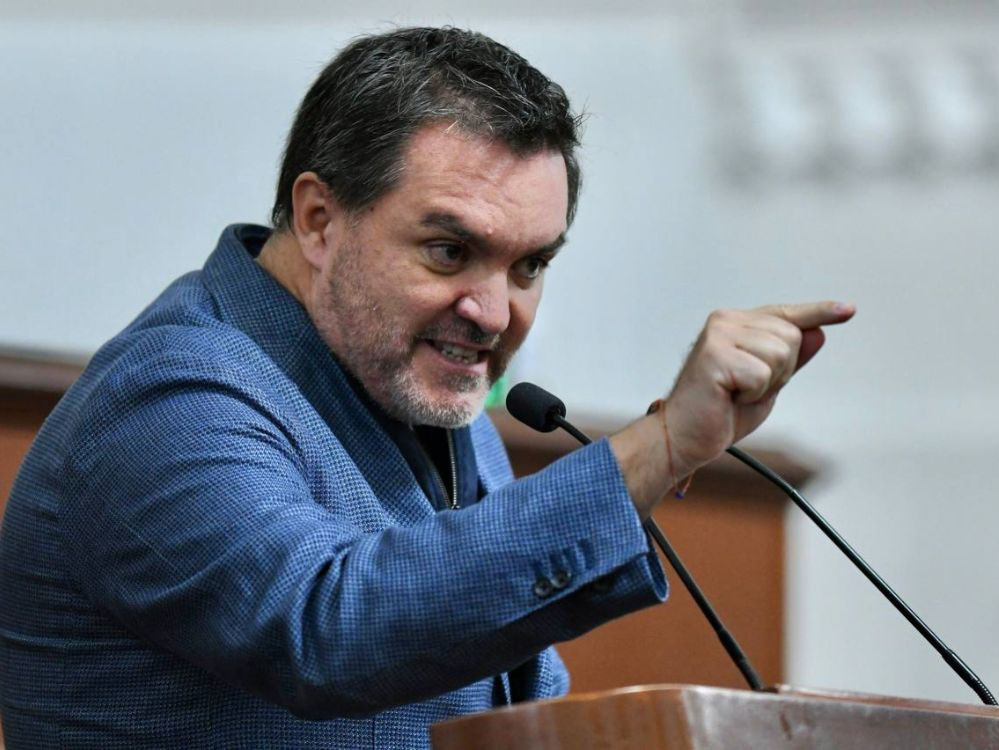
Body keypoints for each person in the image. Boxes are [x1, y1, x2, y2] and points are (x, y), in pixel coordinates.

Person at [0, 27, 854, 749]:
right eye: (450, 252)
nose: (494, 312)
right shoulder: (172, 398)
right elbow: (327, 628)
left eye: (530, 265)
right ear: (319, 220)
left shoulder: (429, 399)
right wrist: (654, 452)